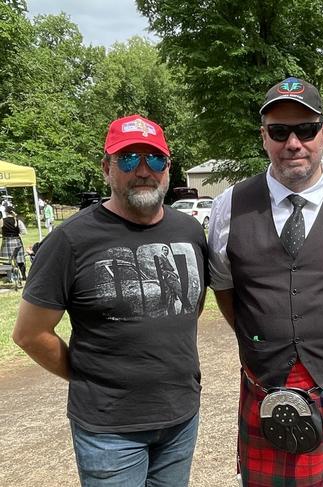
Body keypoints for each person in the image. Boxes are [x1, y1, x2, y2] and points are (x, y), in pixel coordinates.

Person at [12, 114, 209, 486]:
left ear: (168, 168)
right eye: (129, 159)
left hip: (181, 416)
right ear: (106, 168)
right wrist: (89, 376)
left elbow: (188, 306)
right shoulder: (71, 239)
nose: (143, 170)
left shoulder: (189, 230)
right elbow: (29, 334)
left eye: (154, 159)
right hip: (109, 430)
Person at [208, 77, 323, 486]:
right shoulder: (228, 205)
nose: (293, 143)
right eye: (279, 131)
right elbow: (225, 286)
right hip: (265, 379)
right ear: (263, 137)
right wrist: (265, 338)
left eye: (305, 130)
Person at [0, 205, 27, 280]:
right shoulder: (18, 220)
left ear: (5, 212)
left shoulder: (2, 220)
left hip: (6, 242)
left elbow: (0, 230)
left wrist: (3, 233)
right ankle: (23, 276)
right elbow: (24, 232)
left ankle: (9, 277)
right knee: (20, 259)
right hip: (16, 241)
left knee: (6, 260)